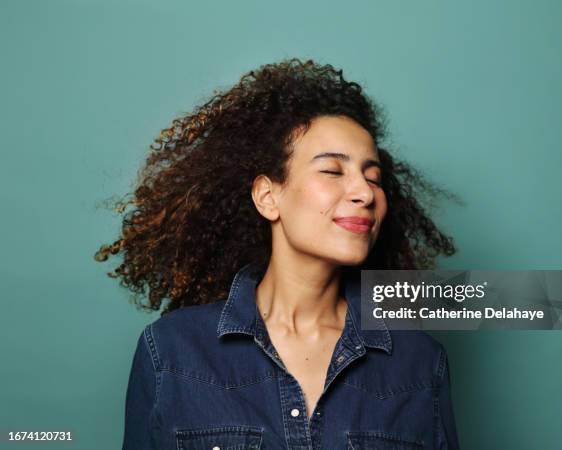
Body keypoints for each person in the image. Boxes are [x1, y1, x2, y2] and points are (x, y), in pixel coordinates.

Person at [95, 58, 460, 449]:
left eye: (373, 178)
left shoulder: (420, 362)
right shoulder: (170, 352)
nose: (365, 193)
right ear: (269, 197)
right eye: (333, 171)